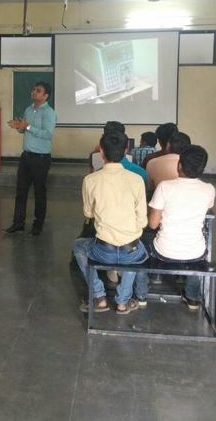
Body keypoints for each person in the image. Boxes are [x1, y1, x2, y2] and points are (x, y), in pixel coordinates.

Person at [72, 131, 148, 314]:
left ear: (102, 153)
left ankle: (99, 297)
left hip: (103, 251)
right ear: (126, 150)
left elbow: (88, 213)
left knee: (78, 246)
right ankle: (123, 302)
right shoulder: (137, 180)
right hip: (131, 250)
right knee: (136, 252)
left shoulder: (90, 180)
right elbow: (143, 221)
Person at [141, 145, 216, 311]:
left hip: (164, 251)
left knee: (141, 242)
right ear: (203, 167)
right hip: (195, 253)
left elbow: (152, 224)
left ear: (179, 165)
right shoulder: (209, 189)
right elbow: (208, 206)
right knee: (199, 250)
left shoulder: (165, 187)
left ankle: (140, 294)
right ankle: (193, 298)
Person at [5, 81, 56, 236]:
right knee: (21, 191)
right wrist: (19, 126)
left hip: (41, 158)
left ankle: (37, 225)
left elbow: (48, 134)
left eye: (38, 90)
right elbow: (25, 130)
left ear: (45, 95)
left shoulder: (49, 112)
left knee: (39, 193)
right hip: (26, 157)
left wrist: (27, 126)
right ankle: (18, 223)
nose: (34, 92)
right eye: (33, 89)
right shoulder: (28, 109)